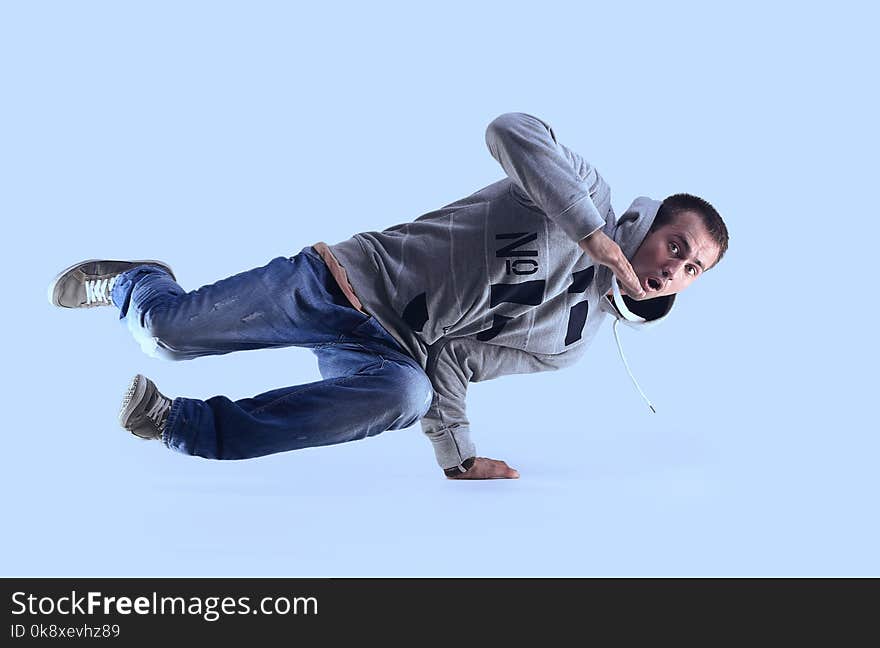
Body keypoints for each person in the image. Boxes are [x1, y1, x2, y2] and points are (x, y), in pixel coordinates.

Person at [48, 112, 729, 480]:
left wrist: (457, 455)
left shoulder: (568, 344)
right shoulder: (582, 194)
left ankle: (181, 427)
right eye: (677, 245)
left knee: (410, 395)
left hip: (387, 356)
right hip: (341, 282)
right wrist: (592, 236)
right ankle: (137, 280)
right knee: (165, 334)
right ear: (649, 221)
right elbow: (510, 131)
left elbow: (454, 366)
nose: (676, 269)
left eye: (694, 269)